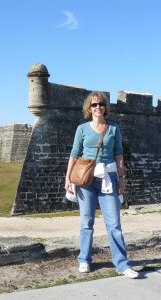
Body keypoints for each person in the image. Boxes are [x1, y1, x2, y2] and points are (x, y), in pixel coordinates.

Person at [64, 91, 139, 279]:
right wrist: (67, 178)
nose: (98, 107)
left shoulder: (113, 128)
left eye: (101, 104)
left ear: (105, 107)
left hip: (109, 178)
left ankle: (122, 264)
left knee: (114, 224)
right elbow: (74, 154)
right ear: (88, 108)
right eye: (94, 105)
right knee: (86, 222)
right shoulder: (82, 129)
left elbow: (119, 155)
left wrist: (121, 179)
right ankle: (84, 259)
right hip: (86, 179)